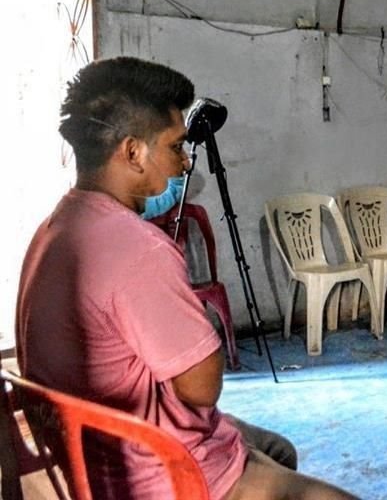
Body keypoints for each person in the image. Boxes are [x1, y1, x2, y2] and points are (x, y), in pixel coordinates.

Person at [16, 57, 356, 500]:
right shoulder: (139, 249)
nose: (183, 163)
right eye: (175, 146)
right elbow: (201, 388)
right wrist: (193, 315)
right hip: (156, 471)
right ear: (133, 152)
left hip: (88, 452)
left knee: (277, 449)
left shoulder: (53, 229)